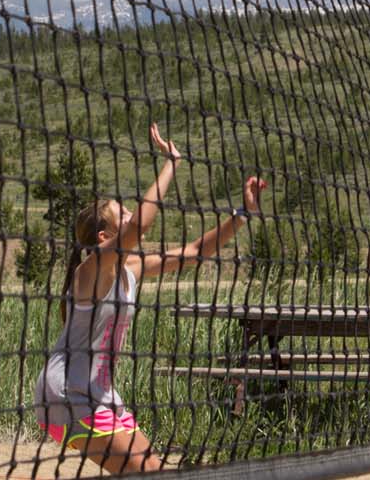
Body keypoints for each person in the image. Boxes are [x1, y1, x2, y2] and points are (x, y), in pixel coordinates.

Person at [34, 123, 266, 474]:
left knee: (153, 470)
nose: (129, 216)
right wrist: (172, 162)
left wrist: (242, 215)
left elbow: (194, 252)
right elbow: (140, 226)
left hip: (99, 395)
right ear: (104, 236)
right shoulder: (91, 269)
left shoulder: (131, 269)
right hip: (67, 396)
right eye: (121, 214)